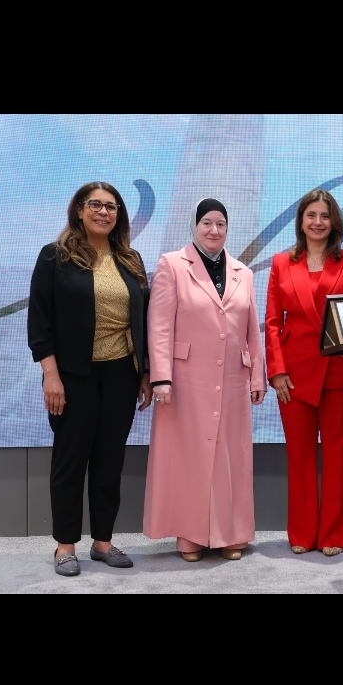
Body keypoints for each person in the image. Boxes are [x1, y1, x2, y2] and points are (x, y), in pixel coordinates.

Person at [28, 183, 152, 576]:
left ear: (119, 215)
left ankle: (103, 542)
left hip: (122, 373)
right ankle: (65, 546)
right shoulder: (55, 256)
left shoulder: (130, 259)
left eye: (111, 206)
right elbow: (39, 322)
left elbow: (142, 321)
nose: (103, 212)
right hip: (72, 375)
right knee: (70, 460)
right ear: (79, 211)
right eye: (95, 204)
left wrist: (145, 373)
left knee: (109, 460)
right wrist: (51, 375)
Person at [143, 200, 266, 560]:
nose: (214, 230)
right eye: (207, 223)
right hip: (185, 380)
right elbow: (159, 325)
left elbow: (252, 330)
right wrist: (160, 377)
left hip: (233, 379)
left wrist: (257, 375)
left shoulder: (243, 272)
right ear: (194, 226)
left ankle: (231, 534)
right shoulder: (171, 264)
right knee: (189, 457)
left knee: (230, 457)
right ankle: (190, 535)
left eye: (221, 224)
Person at [265, 189, 343, 555]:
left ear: (335, 222)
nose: (317, 222)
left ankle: (334, 535)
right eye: (311, 215)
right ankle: (302, 533)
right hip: (293, 375)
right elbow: (272, 323)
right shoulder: (281, 263)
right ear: (300, 221)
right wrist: (276, 371)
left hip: (340, 372)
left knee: (338, 455)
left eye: (325, 216)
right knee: (299, 456)